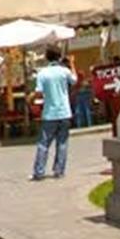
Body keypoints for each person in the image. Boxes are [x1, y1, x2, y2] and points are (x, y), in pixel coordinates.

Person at [31, 46, 75, 181]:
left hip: (50, 113)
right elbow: (74, 80)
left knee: (44, 143)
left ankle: (39, 171)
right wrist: (72, 63)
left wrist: (31, 98)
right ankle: (59, 170)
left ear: (46, 57)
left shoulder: (42, 73)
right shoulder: (64, 71)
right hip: (65, 112)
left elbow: (38, 92)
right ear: (59, 57)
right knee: (62, 143)